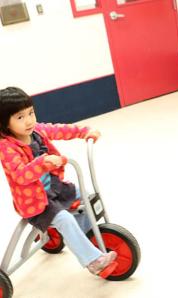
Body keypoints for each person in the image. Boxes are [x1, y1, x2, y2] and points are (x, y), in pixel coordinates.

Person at [0, 87, 117, 277]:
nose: (29, 120)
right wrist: (42, 164)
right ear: (5, 123)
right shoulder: (6, 147)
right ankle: (93, 262)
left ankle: (88, 238)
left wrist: (84, 131)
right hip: (35, 203)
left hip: (56, 189)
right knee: (65, 219)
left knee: (86, 197)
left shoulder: (37, 131)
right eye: (20, 117)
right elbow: (19, 175)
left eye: (31, 112)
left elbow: (59, 129)